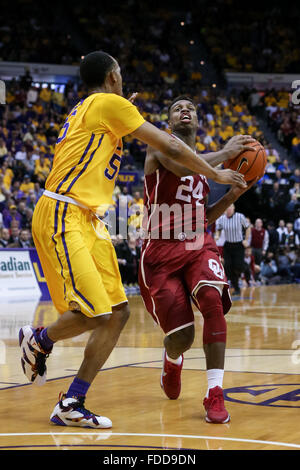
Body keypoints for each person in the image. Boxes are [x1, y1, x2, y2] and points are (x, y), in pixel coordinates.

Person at [19, 52, 248, 429]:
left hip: (90, 218)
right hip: (65, 211)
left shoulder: (100, 109)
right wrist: (219, 169)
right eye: (121, 75)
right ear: (112, 77)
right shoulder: (109, 104)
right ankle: (40, 338)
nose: (124, 82)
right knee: (96, 313)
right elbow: (172, 149)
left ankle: (72, 401)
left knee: (118, 314)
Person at [138, 96, 255, 424]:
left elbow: (202, 218)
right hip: (159, 253)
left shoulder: (204, 171)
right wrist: (225, 157)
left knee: (211, 300)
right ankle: (172, 358)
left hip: (197, 244)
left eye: (189, 108)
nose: (184, 110)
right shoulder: (158, 145)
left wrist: (231, 197)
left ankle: (214, 392)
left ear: (197, 120)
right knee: (183, 337)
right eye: (177, 108)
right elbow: (179, 160)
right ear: (170, 120)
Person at [215, 204, 251, 296]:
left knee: (238, 266)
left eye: (230, 208)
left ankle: (246, 268)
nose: (228, 210)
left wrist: (246, 240)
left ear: (233, 208)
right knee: (229, 268)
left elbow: (248, 228)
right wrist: (217, 235)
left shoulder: (240, 217)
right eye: (226, 208)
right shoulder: (222, 219)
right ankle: (236, 288)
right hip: (228, 245)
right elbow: (218, 229)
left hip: (238, 245)